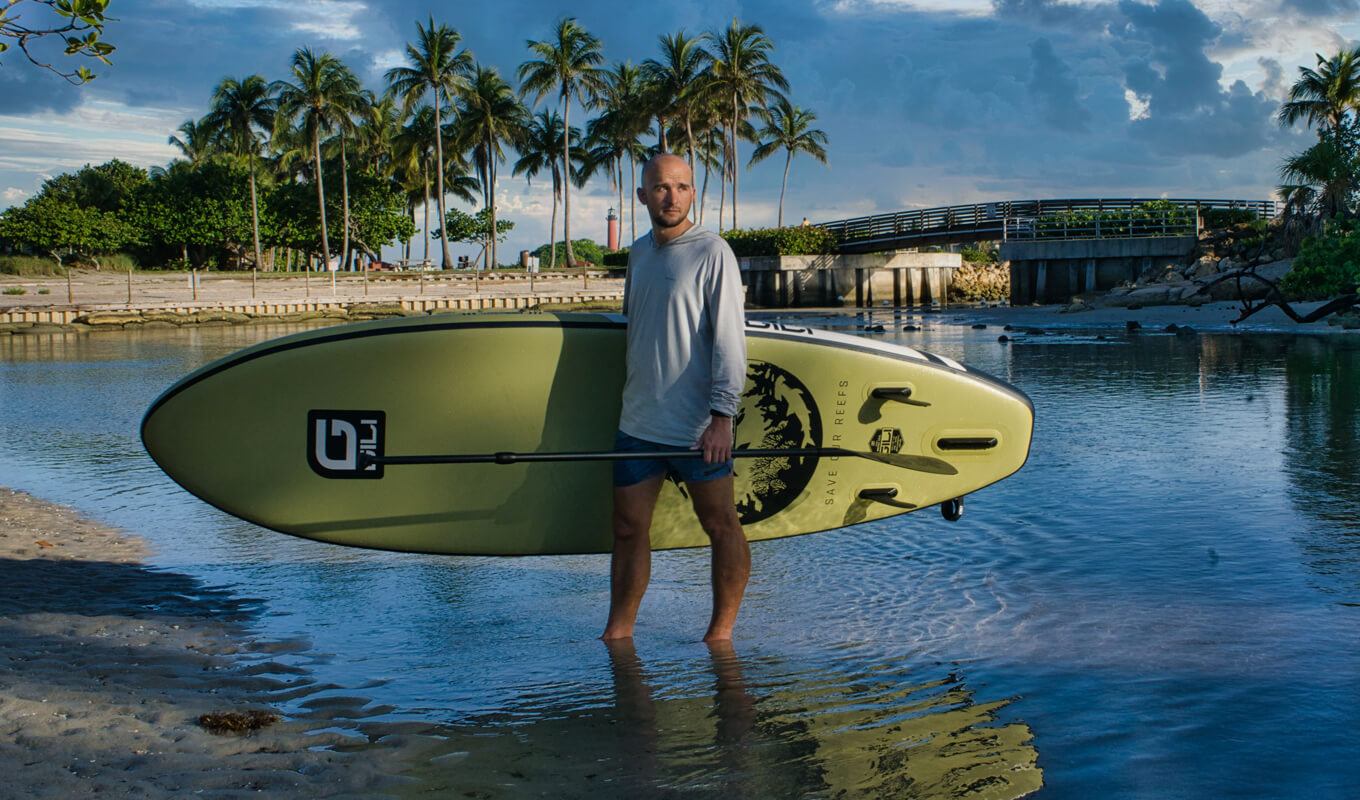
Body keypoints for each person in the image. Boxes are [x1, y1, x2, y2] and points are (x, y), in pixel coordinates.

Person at [602, 153, 749, 643]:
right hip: (637, 421)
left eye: (682, 187)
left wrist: (722, 416)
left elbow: (731, 338)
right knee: (627, 529)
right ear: (642, 195)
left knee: (720, 524)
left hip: (695, 428)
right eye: (661, 187)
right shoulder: (639, 253)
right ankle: (618, 633)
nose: (672, 196)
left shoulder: (713, 252)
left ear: (693, 194)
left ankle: (720, 635)